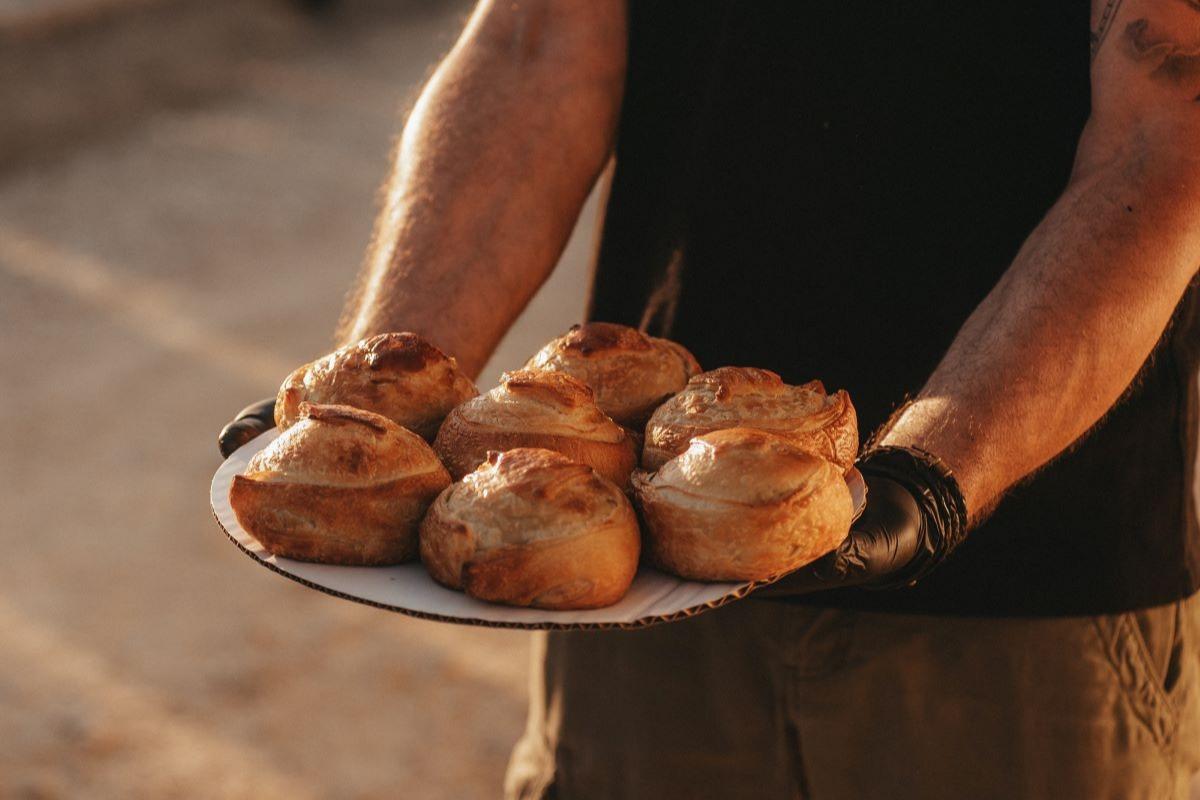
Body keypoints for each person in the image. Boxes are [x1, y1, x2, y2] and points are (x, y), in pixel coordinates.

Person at [218, 1, 1200, 797]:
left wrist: (932, 482)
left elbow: (1170, 126)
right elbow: (541, 39)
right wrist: (374, 410)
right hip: (642, 576)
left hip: (1023, 631)